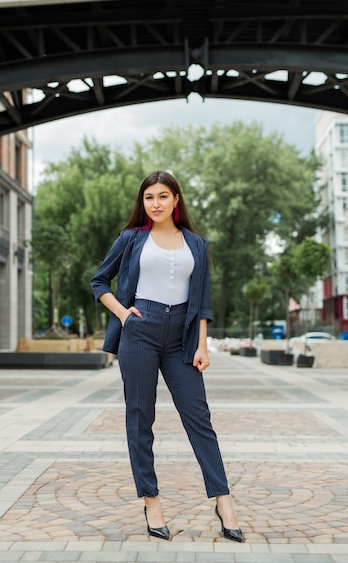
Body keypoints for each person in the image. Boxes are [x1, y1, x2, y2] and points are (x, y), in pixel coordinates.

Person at [91, 170, 243, 542]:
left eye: (162, 196)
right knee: (141, 418)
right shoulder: (131, 239)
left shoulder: (196, 243)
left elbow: (202, 301)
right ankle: (151, 499)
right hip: (141, 330)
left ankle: (223, 500)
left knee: (199, 418)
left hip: (182, 337)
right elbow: (99, 281)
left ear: (176, 200)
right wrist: (124, 313)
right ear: (142, 203)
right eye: (148, 198)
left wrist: (202, 345)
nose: (155, 203)